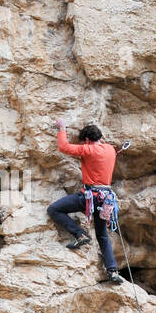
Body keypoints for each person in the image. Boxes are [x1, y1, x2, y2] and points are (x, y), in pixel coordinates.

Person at [48, 121, 123, 284]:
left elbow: (64, 147)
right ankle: (113, 272)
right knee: (102, 235)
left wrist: (61, 129)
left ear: (87, 140)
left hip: (90, 197)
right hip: (106, 199)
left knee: (54, 209)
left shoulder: (88, 149)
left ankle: (79, 234)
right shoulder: (110, 150)